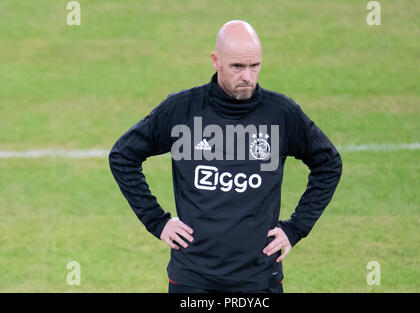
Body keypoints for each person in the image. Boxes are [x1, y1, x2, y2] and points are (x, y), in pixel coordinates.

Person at [109, 20, 342, 293]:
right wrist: (156, 221)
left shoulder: (280, 114)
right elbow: (123, 155)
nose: (248, 77)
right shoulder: (182, 111)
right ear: (215, 60)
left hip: (258, 279)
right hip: (193, 279)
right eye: (238, 67)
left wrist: (296, 228)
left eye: (255, 66)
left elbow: (328, 164)